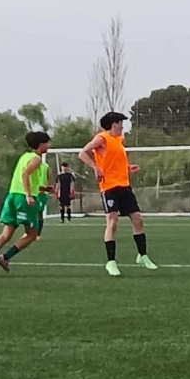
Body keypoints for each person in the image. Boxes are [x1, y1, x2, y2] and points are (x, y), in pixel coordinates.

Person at [78, 111, 158, 276]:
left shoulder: (119, 140)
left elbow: (115, 160)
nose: (123, 126)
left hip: (124, 186)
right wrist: (95, 168)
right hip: (109, 188)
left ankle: (142, 256)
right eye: (121, 123)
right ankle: (111, 262)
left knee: (137, 219)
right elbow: (82, 153)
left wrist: (128, 168)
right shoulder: (102, 138)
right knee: (112, 223)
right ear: (114, 124)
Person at [0, 131, 51, 277]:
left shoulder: (24, 156)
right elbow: (25, 174)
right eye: (47, 143)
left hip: (12, 196)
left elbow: (24, 178)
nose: (48, 145)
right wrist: (28, 195)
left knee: (6, 234)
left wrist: (43, 189)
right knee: (32, 234)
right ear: (41, 144)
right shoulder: (36, 159)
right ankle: (5, 257)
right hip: (23, 198)